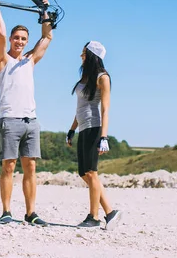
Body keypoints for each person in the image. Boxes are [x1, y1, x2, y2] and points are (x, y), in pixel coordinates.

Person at [0, 0, 52, 226]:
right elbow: (1, 35)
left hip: (31, 121)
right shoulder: (2, 60)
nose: (20, 41)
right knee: (9, 166)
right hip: (10, 120)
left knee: (30, 167)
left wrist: (43, 9)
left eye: (24, 38)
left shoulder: (30, 60)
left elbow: (47, 36)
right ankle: (6, 211)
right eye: (17, 38)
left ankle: (31, 213)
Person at [66, 41, 122, 230]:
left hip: (94, 127)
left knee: (91, 173)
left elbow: (105, 109)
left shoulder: (102, 78)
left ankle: (94, 216)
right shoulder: (85, 76)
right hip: (83, 128)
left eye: (83, 53)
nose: (81, 56)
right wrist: (72, 128)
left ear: (91, 55)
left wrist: (104, 137)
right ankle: (110, 212)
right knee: (84, 173)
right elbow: (80, 107)